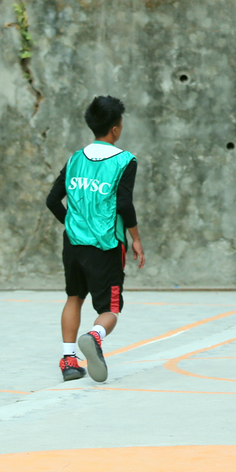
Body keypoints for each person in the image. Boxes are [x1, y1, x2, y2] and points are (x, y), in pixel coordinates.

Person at [45, 95, 145, 383]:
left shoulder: (75, 158)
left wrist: (74, 224)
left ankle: (68, 360)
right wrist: (135, 238)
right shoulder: (125, 160)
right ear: (115, 128)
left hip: (73, 244)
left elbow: (52, 200)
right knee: (110, 309)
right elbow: (124, 205)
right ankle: (94, 336)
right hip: (106, 245)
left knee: (73, 297)